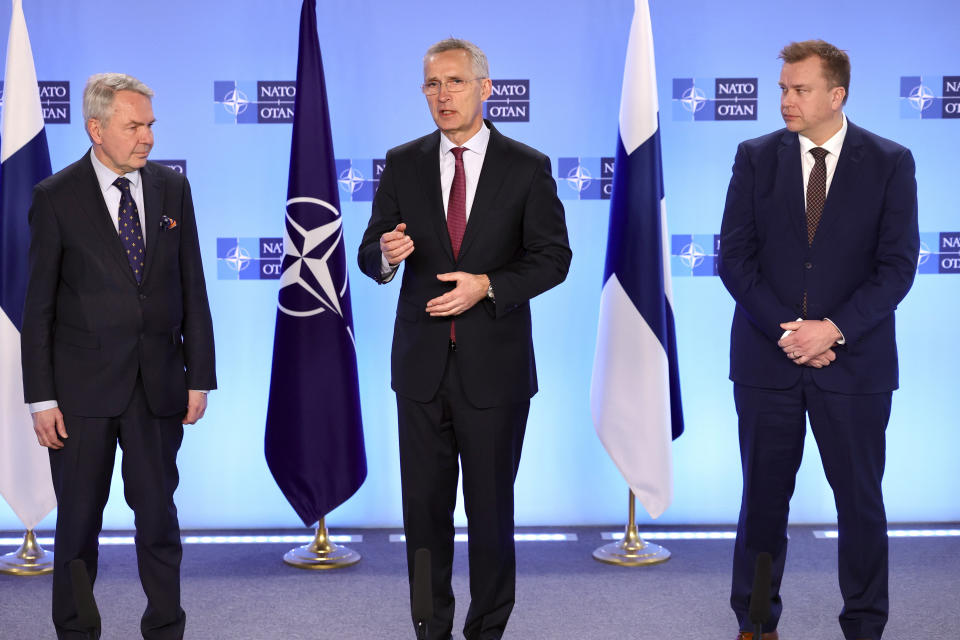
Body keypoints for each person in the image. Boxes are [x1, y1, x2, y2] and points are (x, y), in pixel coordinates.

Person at [358, 38, 571, 640]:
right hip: (421, 372)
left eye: (454, 82)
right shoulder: (402, 163)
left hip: (495, 374)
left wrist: (488, 285)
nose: (442, 95)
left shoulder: (526, 166)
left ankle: (487, 630)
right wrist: (386, 255)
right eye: (432, 84)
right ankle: (430, 629)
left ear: (485, 87)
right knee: (423, 517)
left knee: (490, 516)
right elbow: (370, 250)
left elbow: (553, 259)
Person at [718, 40, 919, 640]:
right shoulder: (753, 157)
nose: (785, 100)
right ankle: (756, 621)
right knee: (762, 504)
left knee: (860, 505)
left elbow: (897, 266)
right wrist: (791, 331)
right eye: (782, 87)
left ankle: (863, 624)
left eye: (799, 89)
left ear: (837, 95)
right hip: (767, 361)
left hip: (855, 367)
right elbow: (735, 259)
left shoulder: (890, 161)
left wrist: (831, 331)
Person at [21, 73, 217, 640]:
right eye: (135, 126)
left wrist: (198, 377)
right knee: (78, 527)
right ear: (96, 128)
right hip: (80, 395)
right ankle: (78, 631)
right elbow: (38, 309)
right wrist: (42, 397)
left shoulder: (171, 188)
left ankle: (164, 628)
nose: (148, 137)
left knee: (159, 521)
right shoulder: (55, 197)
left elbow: (193, 286)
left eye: (151, 125)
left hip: (158, 386)